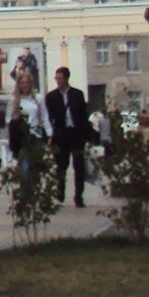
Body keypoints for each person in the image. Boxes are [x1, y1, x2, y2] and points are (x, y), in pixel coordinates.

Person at [44, 65, 94, 208]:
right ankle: (60, 191)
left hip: (76, 134)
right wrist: (51, 136)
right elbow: (49, 117)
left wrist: (89, 136)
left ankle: (78, 197)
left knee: (79, 166)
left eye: (60, 78)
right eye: (56, 78)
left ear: (66, 78)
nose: (58, 81)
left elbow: (83, 116)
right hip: (61, 135)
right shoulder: (51, 97)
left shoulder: (77, 95)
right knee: (61, 165)